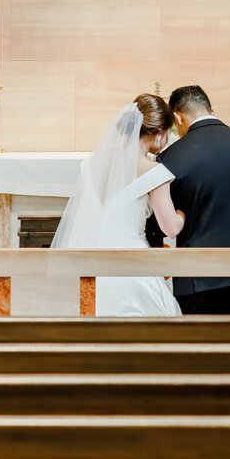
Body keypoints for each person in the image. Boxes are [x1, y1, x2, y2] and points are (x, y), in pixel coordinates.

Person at [145, 83, 230, 314]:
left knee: (203, 347)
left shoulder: (170, 158)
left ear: (178, 118)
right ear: (211, 109)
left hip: (198, 278)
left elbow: (160, 226)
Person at [52, 93, 184, 317]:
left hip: (92, 259)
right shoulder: (154, 172)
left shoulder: (94, 164)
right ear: (158, 134)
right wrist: (182, 214)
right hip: (131, 263)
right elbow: (170, 228)